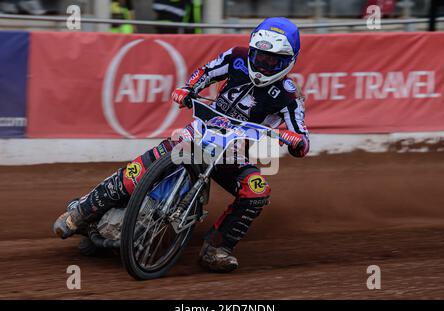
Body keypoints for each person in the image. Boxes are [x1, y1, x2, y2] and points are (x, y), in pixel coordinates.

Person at [53, 17, 310, 273]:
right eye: (260, 56)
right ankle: (81, 213)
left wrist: (294, 141)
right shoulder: (237, 57)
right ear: (252, 50)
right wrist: (187, 88)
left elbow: (303, 138)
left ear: (288, 61)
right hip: (197, 134)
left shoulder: (290, 96)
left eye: (272, 60)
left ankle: (217, 249)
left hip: (231, 155)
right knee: (141, 169)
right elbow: (206, 72)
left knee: (257, 190)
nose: (263, 64)